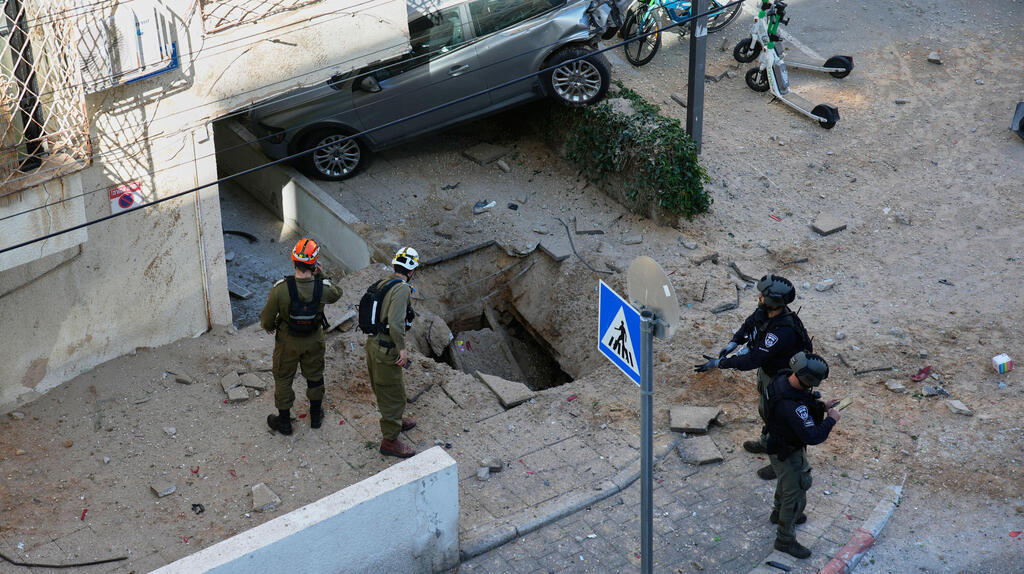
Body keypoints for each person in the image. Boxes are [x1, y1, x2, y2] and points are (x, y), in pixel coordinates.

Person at [693, 274, 812, 479]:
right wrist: (733, 342)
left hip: (786, 382)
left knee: (785, 423)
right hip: (771, 373)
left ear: (774, 301)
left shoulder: (781, 332)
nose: (759, 296)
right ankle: (767, 444)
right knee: (767, 412)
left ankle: (782, 464)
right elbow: (750, 324)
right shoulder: (768, 312)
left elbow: (752, 360)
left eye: (763, 295)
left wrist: (720, 363)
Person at [761, 352, 840, 559]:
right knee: (795, 493)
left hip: (774, 442)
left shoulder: (782, 379)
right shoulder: (793, 406)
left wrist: (822, 407)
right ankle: (785, 539)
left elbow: (799, 404)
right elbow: (812, 435)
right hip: (788, 450)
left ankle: (778, 513)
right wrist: (831, 419)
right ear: (810, 380)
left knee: (784, 480)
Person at [260, 238, 342, 435]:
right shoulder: (323, 287)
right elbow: (337, 292)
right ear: (314, 265)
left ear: (293, 261)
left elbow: (266, 318)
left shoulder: (280, 289)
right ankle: (315, 417)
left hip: (287, 341)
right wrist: (323, 274)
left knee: (283, 378)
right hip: (314, 340)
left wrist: (270, 327)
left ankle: (285, 422)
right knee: (314, 377)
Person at [367, 247, 420, 458]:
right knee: (394, 394)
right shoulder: (402, 289)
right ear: (412, 271)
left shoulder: (384, 283)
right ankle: (389, 441)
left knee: (388, 389)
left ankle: (396, 422)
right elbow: (396, 323)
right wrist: (402, 349)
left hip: (374, 344)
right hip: (387, 348)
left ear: (393, 266)